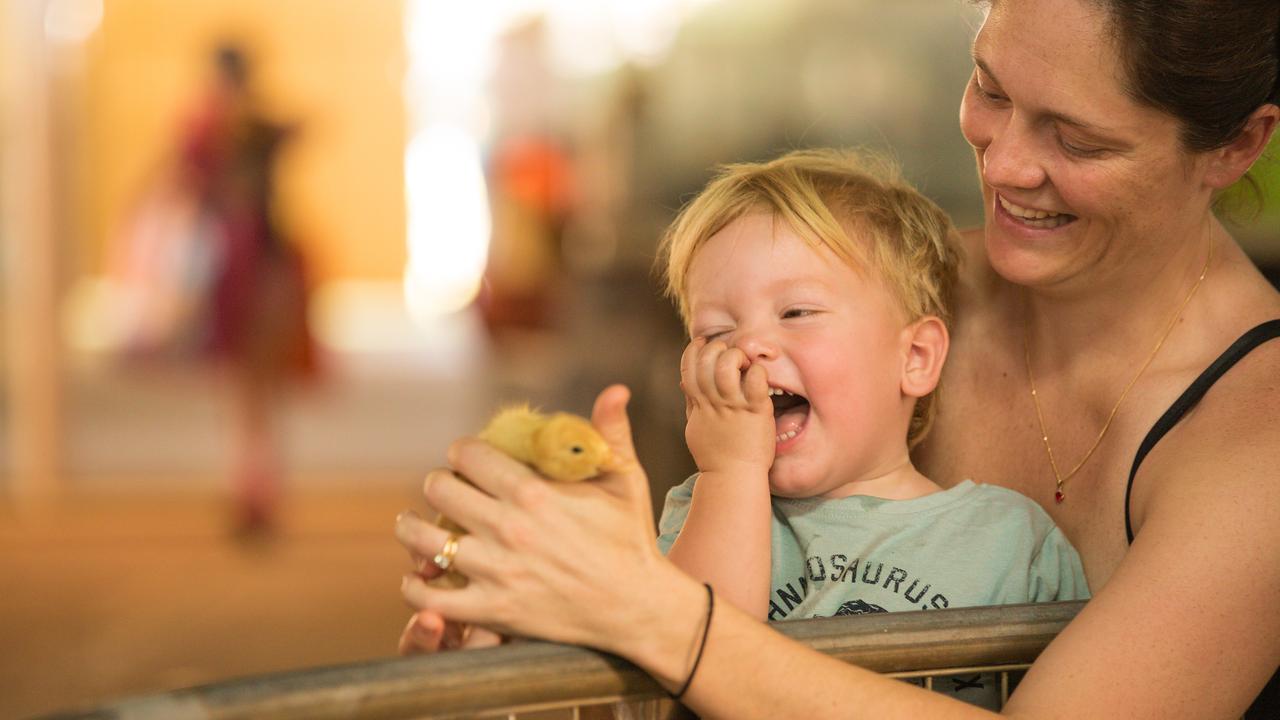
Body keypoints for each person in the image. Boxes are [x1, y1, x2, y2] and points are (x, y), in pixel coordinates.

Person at [396, 0, 1280, 717]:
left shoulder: (1257, 438)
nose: (1005, 163)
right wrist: (532, 653)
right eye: (990, 88)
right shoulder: (883, 287)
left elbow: (690, 631)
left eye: (1076, 140)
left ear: (1237, 145)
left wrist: (663, 622)